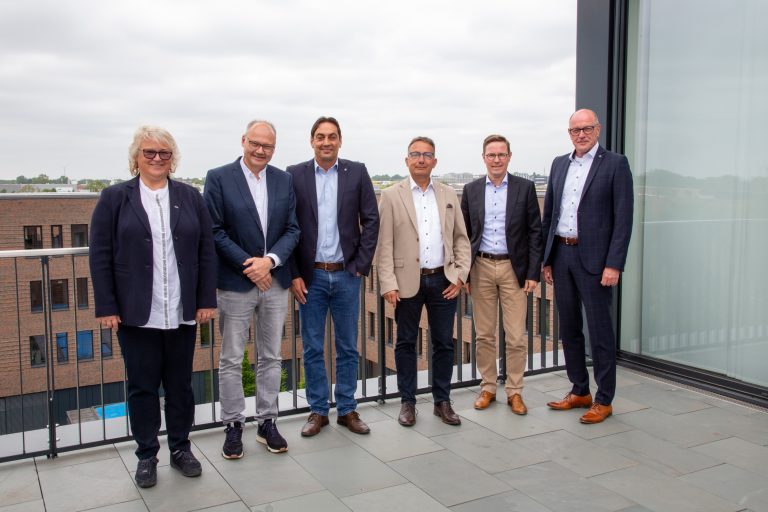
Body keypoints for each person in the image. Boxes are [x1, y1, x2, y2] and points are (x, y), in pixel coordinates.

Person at [90, 126, 217, 488]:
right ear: (137, 157)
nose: (157, 158)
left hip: (181, 310)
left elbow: (206, 251)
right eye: (149, 152)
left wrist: (206, 299)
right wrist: (107, 306)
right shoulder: (115, 198)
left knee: (180, 386)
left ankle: (180, 448)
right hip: (136, 313)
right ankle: (147, 455)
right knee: (142, 387)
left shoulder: (190, 197)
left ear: (172, 159)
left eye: (164, 153)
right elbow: (100, 254)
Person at [204, 120, 300, 458]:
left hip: (274, 282)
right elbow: (214, 231)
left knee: (271, 355)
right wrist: (251, 266)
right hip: (235, 282)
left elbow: (292, 229)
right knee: (232, 358)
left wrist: (269, 262)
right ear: (243, 140)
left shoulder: (284, 180)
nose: (260, 150)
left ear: (274, 149)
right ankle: (233, 425)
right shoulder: (218, 177)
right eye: (255, 143)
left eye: (267, 146)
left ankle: (267, 422)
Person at [286, 116, 379, 437]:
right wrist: (294, 274)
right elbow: (286, 226)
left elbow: (371, 220)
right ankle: (317, 411)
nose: (326, 142)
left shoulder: (357, 172)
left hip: (346, 275)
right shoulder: (294, 174)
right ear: (312, 140)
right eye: (320, 136)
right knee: (312, 347)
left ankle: (347, 409)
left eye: (332, 136)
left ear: (340, 141)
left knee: (348, 346)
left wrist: (360, 265)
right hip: (309, 277)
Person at [542, 109, 634, 424]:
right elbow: (549, 214)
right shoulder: (559, 164)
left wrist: (614, 264)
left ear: (598, 129)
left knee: (600, 332)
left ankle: (604, 399)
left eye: (587, 128)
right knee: (569, 329)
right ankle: (579, 390)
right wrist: (547, 259)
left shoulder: (615, 164)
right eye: (575, 130)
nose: (581, 134)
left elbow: (623, 219)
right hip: (562, 255)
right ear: (569, 133)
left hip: (596, 261)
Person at [377, 136, 471, 427]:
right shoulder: (391, 195)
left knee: (444, 343)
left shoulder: (448, 193)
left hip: (443, 280)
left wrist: (460, 275)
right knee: (405, 342)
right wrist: (388, 283)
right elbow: (384, 244)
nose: (421, 159)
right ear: (407, 160)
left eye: (427, 155)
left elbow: (461, 238)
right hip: (406, 282)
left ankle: (442, 401)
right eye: (415, 154)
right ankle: (408, 402)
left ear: (435, 161)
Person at [460, 134, 543, 415]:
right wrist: (465, 274)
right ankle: (488, 387)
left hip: (513, 269)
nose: (496, 159)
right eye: (491, 155)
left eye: (501, 154)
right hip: (480, 267)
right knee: (484, 335)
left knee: (516, 336)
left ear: (509, 157)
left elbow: (535, 233)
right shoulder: (471, 190)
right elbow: (464, 236)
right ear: (484, 158)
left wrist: (533, 272)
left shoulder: (525, 188)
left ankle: (515, 391)